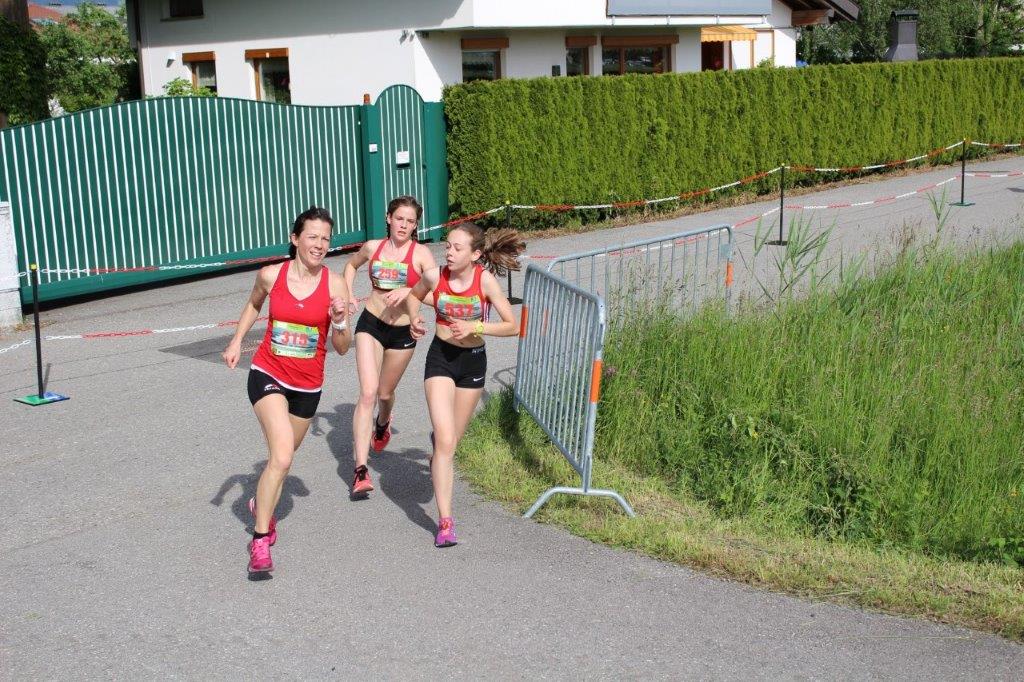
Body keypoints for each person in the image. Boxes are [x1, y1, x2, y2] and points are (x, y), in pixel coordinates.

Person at [223, 207, 352, 573]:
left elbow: (342, 347)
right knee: (281, 457)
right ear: (295, 239)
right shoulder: (271, 275)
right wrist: (237, 341)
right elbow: (254, 303)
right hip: (268, 372)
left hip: (307, 387)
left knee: (281, 461)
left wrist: (339, 320)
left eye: (326, 238)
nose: (320, 244)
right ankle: (260, 540)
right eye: (312, 236)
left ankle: (260, 503)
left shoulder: (335, 284)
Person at [404, 223, 524, 547]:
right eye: (448, 246)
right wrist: (414, 318)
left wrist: (476, 326)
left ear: (475, 254)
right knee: (446, 441)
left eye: (457, 248)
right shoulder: (435, 276)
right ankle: (445, 521)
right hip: (440, 359)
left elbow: (513, 326)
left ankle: (440, 445)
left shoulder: (484, 280)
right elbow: (413, 296)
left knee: (450, 442)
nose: (449, 252)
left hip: (472, 362)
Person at [341, 196, 436, 497]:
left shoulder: (421, 255)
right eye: (399, 219)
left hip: (401, 332)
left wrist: (410, 291)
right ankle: (360, 469)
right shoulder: (373, 247)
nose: (404, 225)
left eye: (410, 221)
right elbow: (350, 265)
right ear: (388, 218)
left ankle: (383, 422)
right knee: (368, 393)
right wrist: (348, 295)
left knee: (384, 393)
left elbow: (438, 293)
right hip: (370, 324)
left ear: (416, 225)